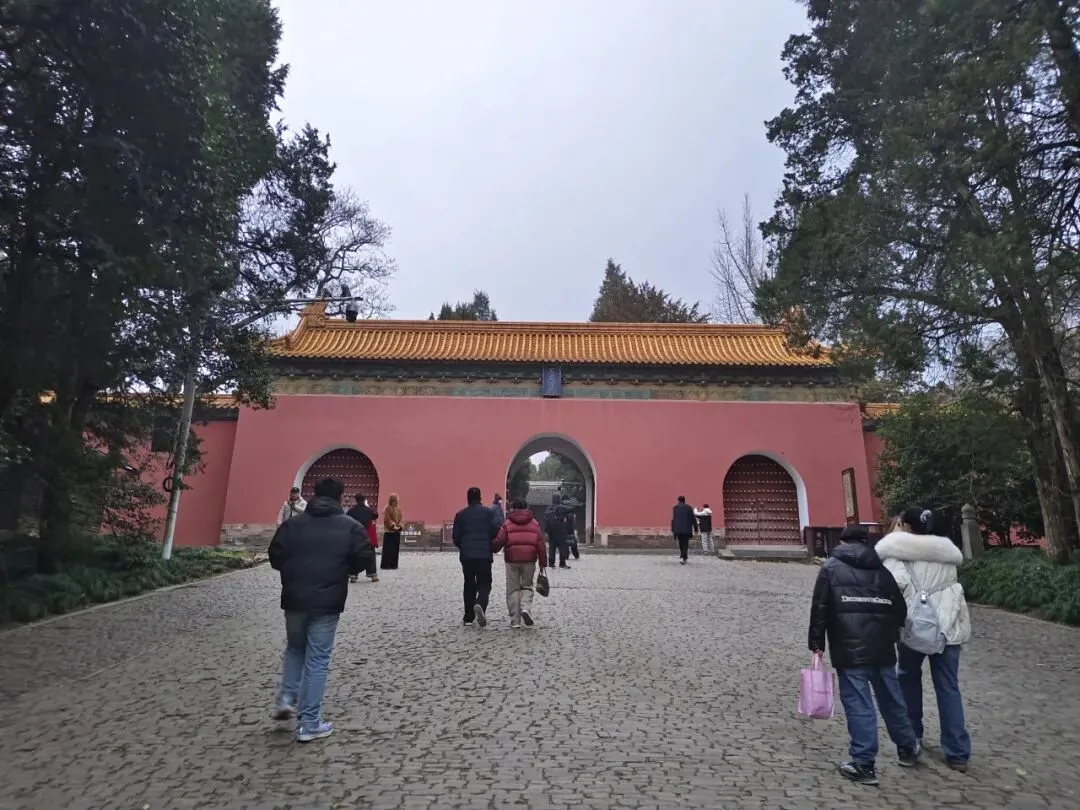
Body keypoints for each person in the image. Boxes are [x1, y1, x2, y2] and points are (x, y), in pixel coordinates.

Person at [808, 524, 920, 785]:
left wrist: (816, 642)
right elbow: (900, 610)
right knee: (892, 700)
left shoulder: (830, 568)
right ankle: (907, 746)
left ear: (842, 542)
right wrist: (887, 632)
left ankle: (864, 762)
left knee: (859, 704)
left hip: (849, 647)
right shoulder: (882, 570)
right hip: (882, 647)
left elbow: (820, 607)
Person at [268, 476, 373, 743]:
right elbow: (364, 557)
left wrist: (294, 572)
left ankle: (286, 698)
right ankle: (309, 724)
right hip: (327, 600)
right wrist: (342, 569)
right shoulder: (350, 527)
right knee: (317, 659)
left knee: (295, 649)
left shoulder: (293, 524)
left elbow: (275, 556)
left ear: (314, 494)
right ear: (340, 496)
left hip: (294, 598)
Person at [875, 507, 972, 773]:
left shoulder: (897, 554)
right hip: (948, 627)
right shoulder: (947, 555)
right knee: (948, 687)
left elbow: (892, 589)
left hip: (914, 628)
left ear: (905, 526)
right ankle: (958, 752)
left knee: (907, 679)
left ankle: (912, 738)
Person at [492, 498, 547, 629]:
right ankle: (525, 608)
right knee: (527, 586)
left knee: (513, 589)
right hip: (529, 559)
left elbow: (499, 541)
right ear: (526, 508)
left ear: (513, 508)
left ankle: (515, 621)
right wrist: (543, 562)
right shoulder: (534, 523)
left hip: (512, 560)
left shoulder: (507, 523)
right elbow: (541, 544)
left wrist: (491, 547)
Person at [452, 487, 499, 627]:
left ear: (468, 498)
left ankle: (468, 617)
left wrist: (463, 547)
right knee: (485, 583)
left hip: (467, 556)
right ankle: (480, 604)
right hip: (484, 555)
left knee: (469, 584)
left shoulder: (460, 515)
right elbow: (495, 531)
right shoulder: (488, 513)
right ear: (480, 497)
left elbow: (456, 537)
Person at [346, 494, 378, 583]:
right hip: (367, 536)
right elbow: (375, 516)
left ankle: (353, 575)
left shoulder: (351, 511)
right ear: (364, 500)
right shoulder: (369, 510)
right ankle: (372, 574)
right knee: (371, 554)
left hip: (356, 536)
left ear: (356, 500)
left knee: (353, 555)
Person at [544, 497, 571, 570]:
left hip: (551, 532)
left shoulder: (548, 509)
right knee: (562, 548)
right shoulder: (562, 508)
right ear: (559, 500)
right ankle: (562, 563)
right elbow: (570, 510)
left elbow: (546, 520)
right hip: (561, 531)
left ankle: (551, 563)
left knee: (552, 548)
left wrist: (547, 531)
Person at [381, 494, 404, 570]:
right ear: (393, 500)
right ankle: (386, 565)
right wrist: (393, 526)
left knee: (395, 549)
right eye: (397, 499)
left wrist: (400, 525)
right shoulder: (387, 508)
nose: (398, 500)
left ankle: (394, 564)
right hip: (389, 531)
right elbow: (387, 519)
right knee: (387, 549)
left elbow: (401, 518)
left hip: (396, 531)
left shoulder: (398, 509)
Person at [671, 496, 696, 564]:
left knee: (681, 543)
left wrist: (673, 529)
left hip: (678, 529)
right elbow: (692, 518)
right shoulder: (689, 507)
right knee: (685, 543)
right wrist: (696, 528)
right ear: (684, 500)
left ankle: (683, 556)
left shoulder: (675, 508)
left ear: (678, 501)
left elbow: (674, 519)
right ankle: (683, 557)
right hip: (686, 529)